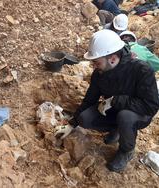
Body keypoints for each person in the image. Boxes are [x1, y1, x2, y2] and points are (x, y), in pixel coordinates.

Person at [55, 30, 159, 172]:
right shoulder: (99, 73)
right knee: (85, 117)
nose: (94, 66)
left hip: (138, 113)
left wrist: (116, 100)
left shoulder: (141, 70)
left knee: (125, 117)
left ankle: (126, 150)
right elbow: (89, 100)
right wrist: (72, 124)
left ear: (112, 58)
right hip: (114, 108)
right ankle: (116, 129)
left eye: (96, 62)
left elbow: (150, 106)